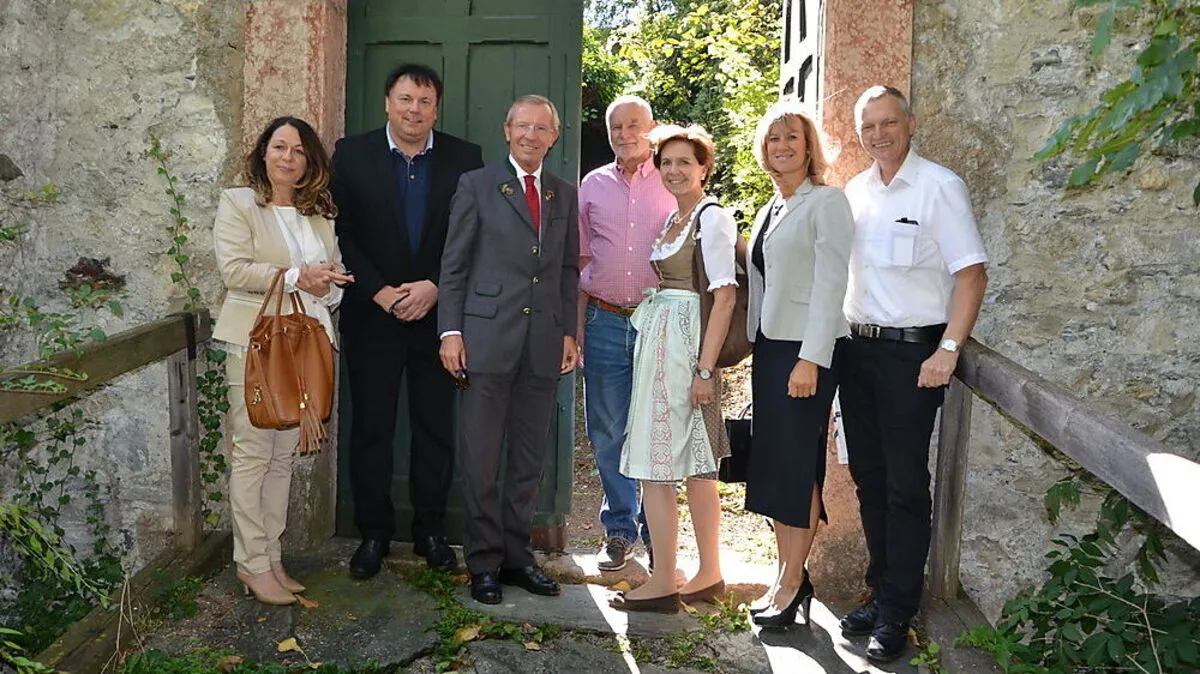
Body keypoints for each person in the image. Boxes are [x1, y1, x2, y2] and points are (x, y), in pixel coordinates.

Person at [838, 85, 988, 662]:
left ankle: (898, 613)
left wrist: (948, 347)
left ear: (910, 123)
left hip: (912, 357)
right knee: (869, 481)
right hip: (858, 352)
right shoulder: (855, 192)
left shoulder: (939, 188)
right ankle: (880, 592)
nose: (879, 134)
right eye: (868, 126)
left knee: (904, 487)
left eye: (888, 123)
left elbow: (971, 274)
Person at [331, 63, 484, 579]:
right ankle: (373, 533)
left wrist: (435, 287)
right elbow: (343, 232)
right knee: (371, 429)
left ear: (436, 107)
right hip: (373, 315)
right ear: (387, 102)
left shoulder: (466, 160)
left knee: (434, 429)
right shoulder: (351, 154)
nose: (413, 109)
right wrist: (377, 292)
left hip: (438, 318)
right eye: (404, 99)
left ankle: (431, 533)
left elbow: (469, 238)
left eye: (423, 101)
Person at [438, 94, 580, 606]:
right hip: (485, 343)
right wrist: (449, 332)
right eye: (523, 126)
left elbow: (567, 269)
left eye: (542, 129)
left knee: (526, 460)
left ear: (554, 137)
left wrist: (569, 331)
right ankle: (482, 562)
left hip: (543, 345)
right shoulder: (476, 185)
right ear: (507, 130)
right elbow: (453, 266)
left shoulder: (565, 194)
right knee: (481, 458)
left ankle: (518, 559)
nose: (531, 136)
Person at [212, 116, 353, 605]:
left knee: (282, 458)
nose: (288, 157)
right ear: (263, 153)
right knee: (253, 455)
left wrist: (327, 284)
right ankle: (250, 564)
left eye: (298, 150)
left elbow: (327, 282)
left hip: (306, 346)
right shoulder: (239, 203)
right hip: (255, 344)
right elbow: (234, 270)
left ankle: (271, 558)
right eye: (279, 147)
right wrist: (298, 275)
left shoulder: (320, 214)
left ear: (309, 162)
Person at [609, 124, 737, 614]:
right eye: (667, 163)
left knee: (668, 464)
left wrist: (704, 371)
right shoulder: (673, 220)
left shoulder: (712, 218)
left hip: (686, 349)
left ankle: (672, 578)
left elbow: (724, 296)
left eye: (686, 162)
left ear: (704, 168)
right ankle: (703, 575)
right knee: (684, 465)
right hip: (661, 343)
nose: (675, 170)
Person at [741, 101, 854, 628]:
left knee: (795, 467)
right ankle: (787, 573)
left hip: (806, 352)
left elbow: (832, 285)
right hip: (772, 349)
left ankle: (794, 579)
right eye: (772, 140)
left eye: (791, 138)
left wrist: (810, 359)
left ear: (809, 146)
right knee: (776, 467)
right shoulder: (772, 207)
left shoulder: (826, 203)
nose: (781, 147)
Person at [577, 95, 676, 571]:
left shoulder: (674, 178)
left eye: (634, 125)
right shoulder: (591, 184)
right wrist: (575, 328)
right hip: (604, 319)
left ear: (651, 128)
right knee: (607, 428)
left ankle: (661, 533)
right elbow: (579, 259)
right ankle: (620, 528)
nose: (624, 133)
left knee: (658, 428)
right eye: (616, 126)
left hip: (660, 321)